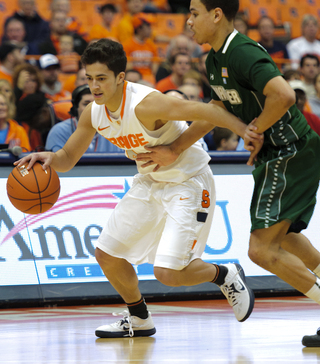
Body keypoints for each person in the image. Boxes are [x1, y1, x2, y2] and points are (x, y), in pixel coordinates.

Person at [15, 38, 261, 338]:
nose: (94, 86)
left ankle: (225, 274)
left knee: (168, 274)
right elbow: (67, 159)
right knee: (107, 254)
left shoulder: (148, 104)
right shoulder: (94, 112)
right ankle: (139, 318)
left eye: (101, 79)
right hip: (149, 181)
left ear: (121, 77)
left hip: (188, 180)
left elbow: (208, 111)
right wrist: (49, 158)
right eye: (89, 78)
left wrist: (245, 133)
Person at [135, 0, 320, 346]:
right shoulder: (214, 59)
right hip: (279, 153)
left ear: (216, 15)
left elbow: (282, 95)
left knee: (261, 251)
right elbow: (216, 111)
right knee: (289, 240)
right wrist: (175, 147)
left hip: (290, 150)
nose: (188, 22)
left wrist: (255, 131)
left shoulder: (242, 52)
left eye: (194, 13)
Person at [45, 84, 123, 153]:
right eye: (86, 104)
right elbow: (56, 167)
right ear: (75, 108)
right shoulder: (59, 132)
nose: (93, 108)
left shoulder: (116, 131)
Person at [122, 13, 158, 84]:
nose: (150, 29)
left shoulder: (151, 45)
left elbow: (155, 66)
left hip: (149, 78)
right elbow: (129, 68)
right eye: (148, 26)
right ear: (139, 29)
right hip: (133, 78)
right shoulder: (127, 45)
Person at [38, 53, 72, 120]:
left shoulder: (66, 94)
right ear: (39, 71)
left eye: (55, 68)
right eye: (48, 69)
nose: (52, 72)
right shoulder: (37, 95)